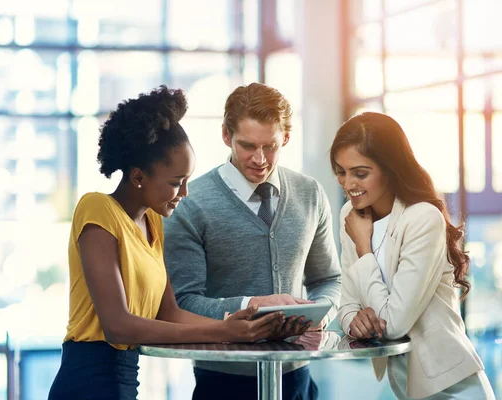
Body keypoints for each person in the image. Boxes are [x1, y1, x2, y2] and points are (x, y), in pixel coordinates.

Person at [48, 86, 286, 400]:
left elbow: (169, 313)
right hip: (87, 382)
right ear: (137, 177)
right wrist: (221, 331)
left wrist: (231, 324)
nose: (184, 193)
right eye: (176, 182)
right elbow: (117, 325)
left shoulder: (154, 223)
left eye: (187, 180)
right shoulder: (97, 210)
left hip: (123, 381)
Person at [164, 82, 342, 400]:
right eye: (247, 145)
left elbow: (327, 278)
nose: (259, 159)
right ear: (225, 136)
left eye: (270, 146)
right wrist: (254, 306)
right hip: (222, 379)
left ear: (285, 137)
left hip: (297, 376)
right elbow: (183, 302)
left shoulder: (310, 193)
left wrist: (322, 313)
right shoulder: (190, 203)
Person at [332, 112, 495, 399]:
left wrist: (363, 248)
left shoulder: (422, 218)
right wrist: (353, 321)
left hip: (452, 386)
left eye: (360, 173)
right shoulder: (350, 214)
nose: (347, 184)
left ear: (390, 168)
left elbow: (393, 324)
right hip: (406, 385)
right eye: (341, 171)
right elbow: (347, 302)